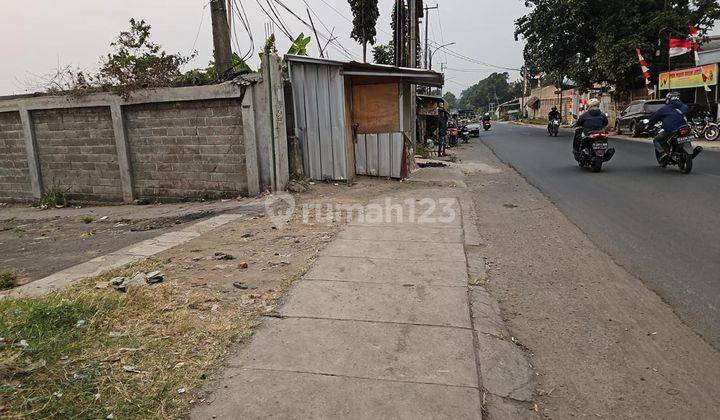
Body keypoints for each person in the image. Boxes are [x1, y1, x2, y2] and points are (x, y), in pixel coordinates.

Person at [647, 92, 689, 164]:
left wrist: (649, 125)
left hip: (671, 129)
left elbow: (654, 118)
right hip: (684, 128)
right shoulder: (685, 106)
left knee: (657, 140)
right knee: (688, 137)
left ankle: (663, 153)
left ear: (668, 99)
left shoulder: (664, 109)